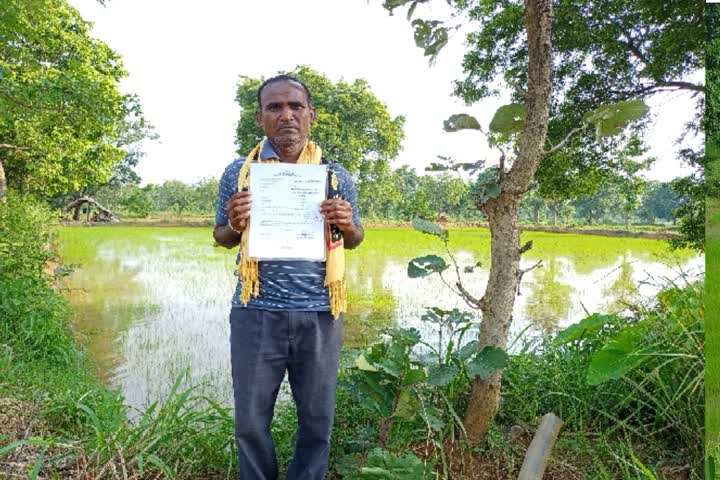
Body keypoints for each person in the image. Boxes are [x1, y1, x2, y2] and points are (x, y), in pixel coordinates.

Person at [214, 74, 364, 480]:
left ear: (311, 115)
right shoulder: (240, 173)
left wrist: (347, 225)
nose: (287, 116)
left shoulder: (334, 176)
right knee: (249, 421)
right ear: (260, 118)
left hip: (319, 313)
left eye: (296, 107)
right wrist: (234, 222)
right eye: (275, 108)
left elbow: (354, 239)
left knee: (317, 423)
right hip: (255, 312)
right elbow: (222, 237)